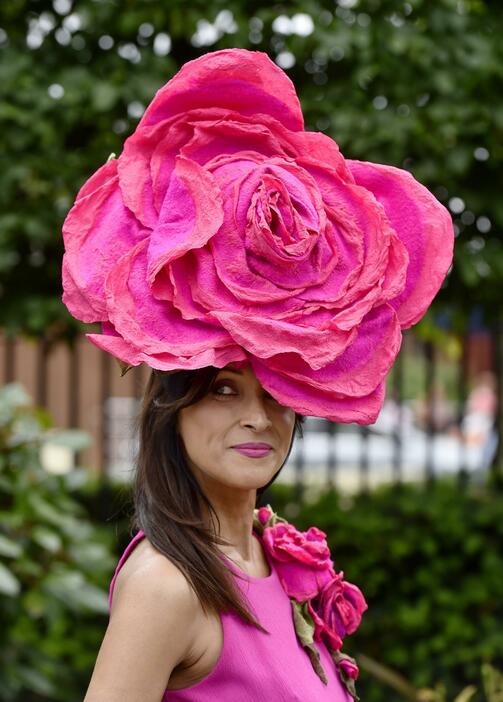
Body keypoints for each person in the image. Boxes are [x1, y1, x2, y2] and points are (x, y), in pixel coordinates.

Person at [62, 49, 454, 700]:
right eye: (222, 389)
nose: (256, 417)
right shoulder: (167, 585)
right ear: (172, 407)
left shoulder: (271, 561)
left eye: (271, 391)